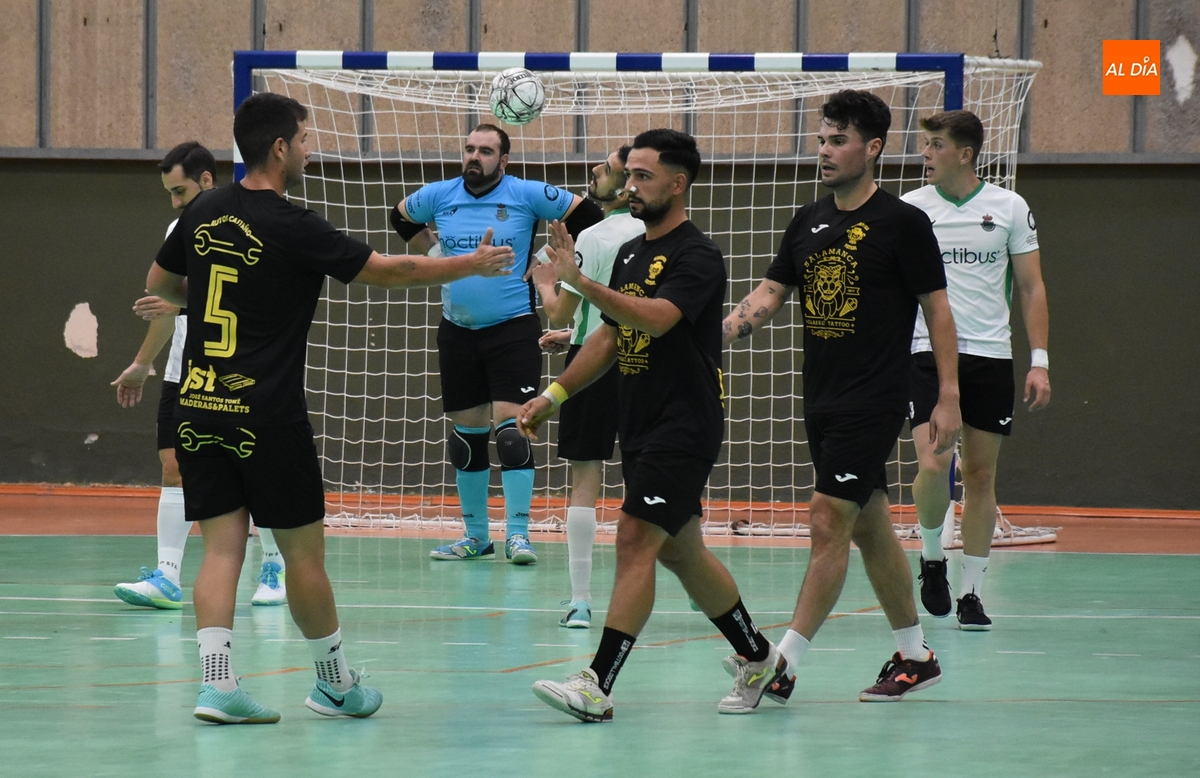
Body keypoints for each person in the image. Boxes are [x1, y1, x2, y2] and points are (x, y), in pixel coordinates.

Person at [145, 92, 515, 724]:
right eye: (307, 140)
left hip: (199, 403)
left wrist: (203, 304)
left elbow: (160, 288)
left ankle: (216, 685)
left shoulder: (202, 211)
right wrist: (471, 263)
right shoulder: (294, 225)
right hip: (266, 415)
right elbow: (391, 270)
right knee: (303, 557)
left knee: (221, 551)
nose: (312, 150)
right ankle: (336, 685)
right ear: (281, 147)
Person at [521, 128, 782, 723]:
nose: (630, 186)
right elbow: (610, 334)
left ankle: (597, 683)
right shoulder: (635, 251)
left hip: (683, 422)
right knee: (683, 553)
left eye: (642, 176)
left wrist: (580, 282)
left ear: (676, 183)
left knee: (636, 537)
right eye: (628, 174)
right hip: (638, 422)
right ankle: (758, 656)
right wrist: (555, 393)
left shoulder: (697, 256)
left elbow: (661, 320)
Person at [722, 90, 961, 703]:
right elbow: (770, 294)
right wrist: (708, 333)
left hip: (876, 398)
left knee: (828, 519)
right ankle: (915, 655)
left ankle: (782, 663)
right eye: (822, 139)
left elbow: (937, 310)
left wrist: (949, 395)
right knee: (870, 528)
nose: (824, 150)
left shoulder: (904, 223)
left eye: (837, 140)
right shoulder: (808, 220)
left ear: (872, 148)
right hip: (821, 398)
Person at [391, 124, 603, 565]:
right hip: (457, 329)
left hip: (512, 327)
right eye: (469, 149)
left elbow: (588, 218)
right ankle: (476, 537)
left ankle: (519, 535)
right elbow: (400, 218)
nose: (474, 157)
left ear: (503, 161)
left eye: (485, 151)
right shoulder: (440, 194)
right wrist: (437, 261)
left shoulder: (526, 193)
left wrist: (543, 261)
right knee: (466, 437)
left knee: (511, 431)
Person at [112, 142, 288, 610]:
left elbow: (242, 297)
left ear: (207, 180)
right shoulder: (179, 227)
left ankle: (274, 564)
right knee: (171, 463)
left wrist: (180, 304)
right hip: (180, 371)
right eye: (168, 192)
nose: (174, 202)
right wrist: (143, 364)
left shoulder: (242, 223)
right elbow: (166, 308)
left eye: (180, 190)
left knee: (251, 473)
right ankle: (167, 577)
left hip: (230, 369)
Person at [902, 110, 1051, 631]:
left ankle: (972, 593)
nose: (925, 153)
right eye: (925, 144)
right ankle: (931, 557)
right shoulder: (910, 209)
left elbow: (1031, 288)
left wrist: (1040, 362)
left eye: (935, 145)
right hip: (925, 352)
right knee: (933, 463)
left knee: (982, 475)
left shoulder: (1009, 207)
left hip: (990, 356)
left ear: (964, 154)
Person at [532, 145, 645, 628]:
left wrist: (545, 281)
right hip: (645, 359)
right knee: (650, 479)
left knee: (584, 475)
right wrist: (570, 334)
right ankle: (648, 591)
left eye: (606, 169)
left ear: (626, 184)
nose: (594, 174)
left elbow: (562, 309)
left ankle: (581, 600)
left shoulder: (594, 236)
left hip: (595, 363)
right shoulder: (658, 235)